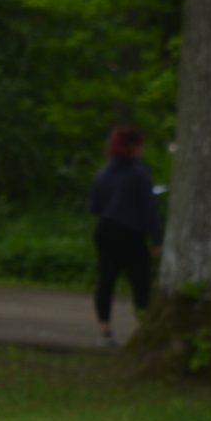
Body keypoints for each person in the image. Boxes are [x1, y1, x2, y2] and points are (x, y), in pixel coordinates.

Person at [88, 124, 162, 342]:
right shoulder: (139, 174)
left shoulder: (102, 173)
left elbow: (94, 206)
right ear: (132, 147)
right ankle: (144, 325)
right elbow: (149, 210)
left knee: (106, 279)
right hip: (131, 233)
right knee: (141, 281)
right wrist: (156, 239)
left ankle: (105, 327)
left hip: (105, 230)